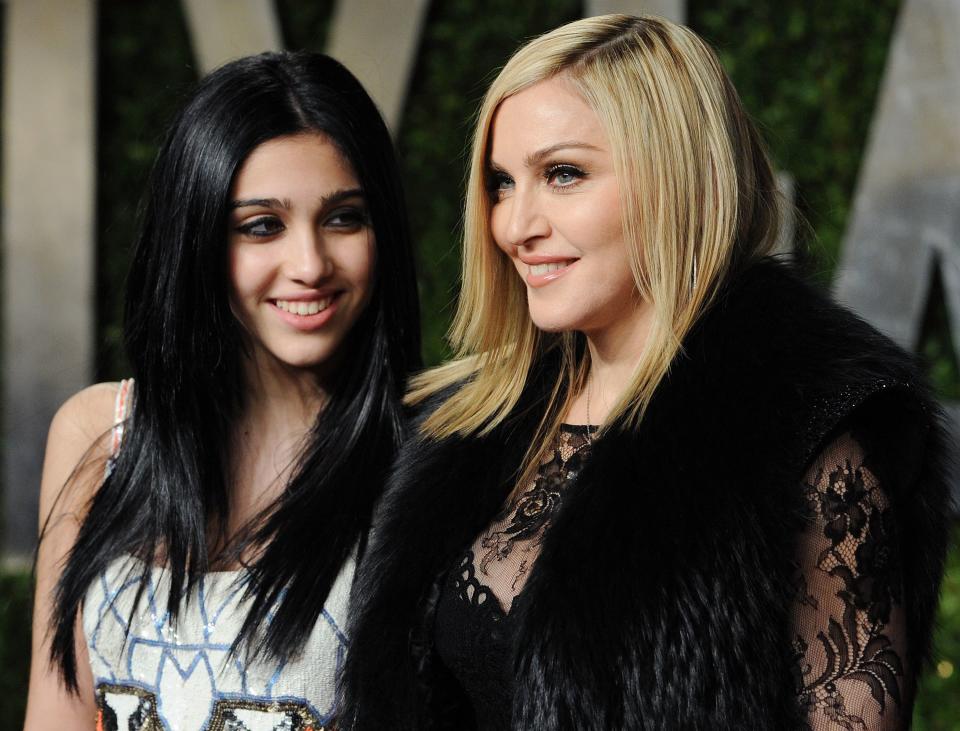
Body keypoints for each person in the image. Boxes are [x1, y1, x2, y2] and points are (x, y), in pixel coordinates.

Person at [341, 14, 951, 730]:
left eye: (562, 173)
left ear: (676, 179)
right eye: (502, 183)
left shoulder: (809, 437)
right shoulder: (474, 422)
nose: (514, 224)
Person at [24, 51, 420, 729]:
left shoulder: (427, 457)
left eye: (344, 218)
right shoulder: (101, 433)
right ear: (198, 236)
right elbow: (54, 713)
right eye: (261, 225)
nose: (309, 265)